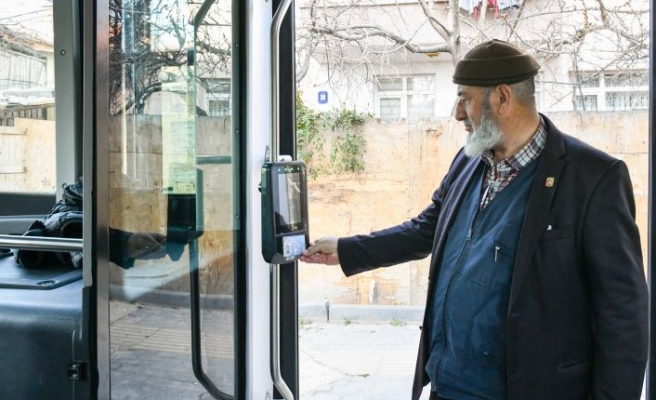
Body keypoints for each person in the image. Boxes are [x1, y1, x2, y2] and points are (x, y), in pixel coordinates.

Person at [301, 39, 648, 400]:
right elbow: (426, 229)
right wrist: (346, 250)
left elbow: (624, 315)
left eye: (465, 98)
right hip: (446, 388)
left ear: (501, 98)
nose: (457, 113)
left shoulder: (593, 178)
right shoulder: (469, 162)